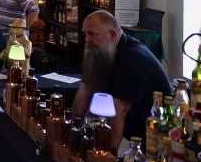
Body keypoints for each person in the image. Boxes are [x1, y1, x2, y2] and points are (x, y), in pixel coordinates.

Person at [72, 11, 171, 146]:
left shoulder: (133, 58)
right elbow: (86, 89)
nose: (86, 40)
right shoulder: (102, 51)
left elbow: (119, 109)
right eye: (86, 34)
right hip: (134, 134)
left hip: (156, 139)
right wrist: (73, 130)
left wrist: (108, 153)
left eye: (92, 34)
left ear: (112, 35)